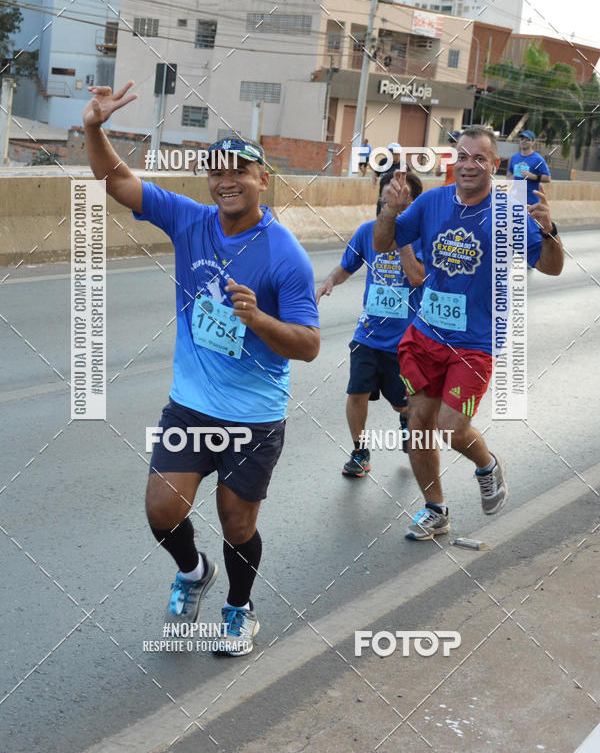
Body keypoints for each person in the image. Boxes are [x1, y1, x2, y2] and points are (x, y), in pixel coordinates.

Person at [82, 82, 320, 654]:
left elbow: (309, 344)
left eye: (241, 170)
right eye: (217, 171)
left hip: (253, 416)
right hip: (191, 404)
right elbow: (116, 181)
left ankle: (239, 608)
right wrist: (94, 129)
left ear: (264, 180)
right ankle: (193, 571)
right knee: (162, 509)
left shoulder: (284, 253)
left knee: (237, 524)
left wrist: (259, 319)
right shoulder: (189, 222)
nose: (227, 180)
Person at [373, 125, 564, 540]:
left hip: (475, 342)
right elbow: (384, 243)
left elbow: (551, 267)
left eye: (479, 158)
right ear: (452, 161)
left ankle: (487, 465)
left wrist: (550, 231)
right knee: (419, 422)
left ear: (493, 165)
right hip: (427, 334)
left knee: (451, 427)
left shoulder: (511, 211)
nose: (469, 164)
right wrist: (389, 211)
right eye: (462, 156)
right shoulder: (431, 203)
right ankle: (435, 509)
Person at [316, 172, 425, 475]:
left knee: (401, 402)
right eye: (389, 192)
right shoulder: (367, 232)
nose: (394, 197)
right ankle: (360, 451)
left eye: (402, 194)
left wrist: (402, 237)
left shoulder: (422, 236)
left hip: (405, 340)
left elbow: (417, 277)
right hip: (368, 334)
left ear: (413, 202)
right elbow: (347, 266)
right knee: (356, 392)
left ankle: (405, 418)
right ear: (381, 197)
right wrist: (328, 282)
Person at [508, 130, 551, 205]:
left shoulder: (538, 159)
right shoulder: (514, 157)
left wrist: (532, 176)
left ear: (533, 142)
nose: (524, 141)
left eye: (527, 139)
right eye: (522, 139)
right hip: (515, 201)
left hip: (531, 203)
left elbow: (547, 178)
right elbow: (509, 175)